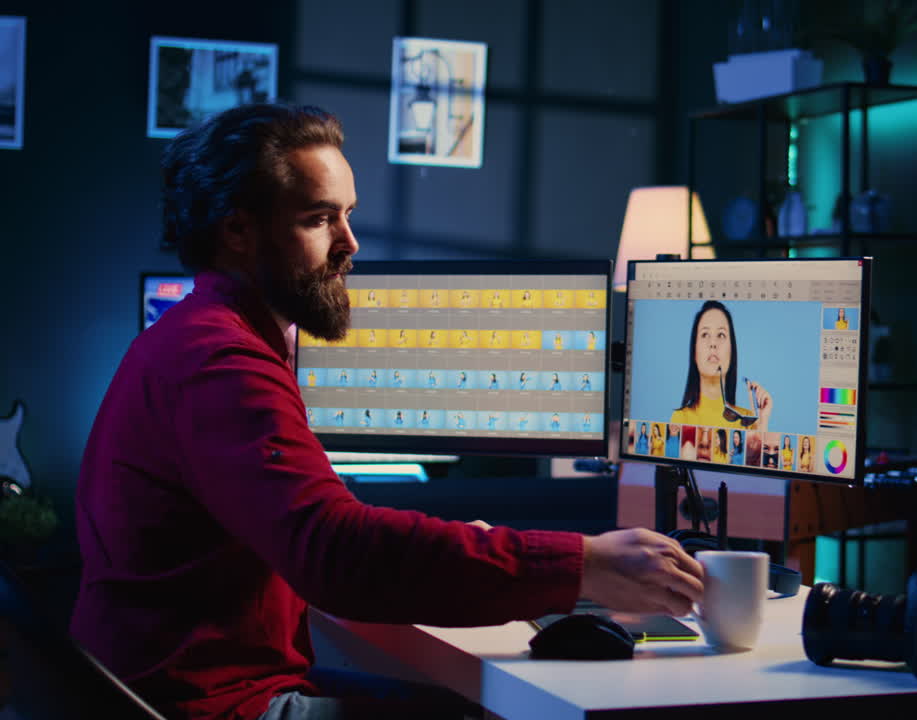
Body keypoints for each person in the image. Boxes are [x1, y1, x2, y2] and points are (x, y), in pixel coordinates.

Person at [72, 104, 703, 720]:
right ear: (237, 231)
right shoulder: (220, 362)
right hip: (210, 704)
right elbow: (331, 551)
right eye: (320, 219)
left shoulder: (200, 335)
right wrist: (582, 565)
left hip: (170, 686)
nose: (350, 242)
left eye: (347, 215)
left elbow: (315, 526)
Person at [669, 300, 773, 431]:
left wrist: (762, 424)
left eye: (721, 335)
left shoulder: (746, 420)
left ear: (731, 351)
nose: (713, 343)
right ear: (694, 351)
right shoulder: (680, 419)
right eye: (705, 334)